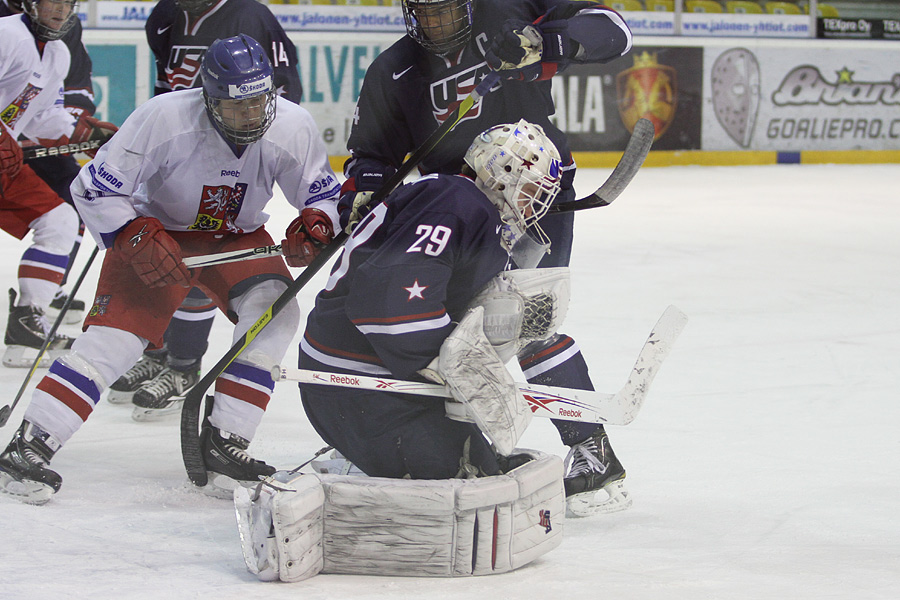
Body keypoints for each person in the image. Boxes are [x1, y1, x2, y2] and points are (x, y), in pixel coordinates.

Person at [0, 34, 341, 504]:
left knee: (275, 315)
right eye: (236, 105)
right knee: (114, 343)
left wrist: (319, 223)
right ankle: (29, 445)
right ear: (210, 98)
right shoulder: (163, 118)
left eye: (259, 101)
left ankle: (225, 445)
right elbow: (93, 190)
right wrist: (130, 234)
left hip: (237, 238)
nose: (250, 114)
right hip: (157, 236)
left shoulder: (292, 124)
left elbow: (323, 194)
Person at [340, 0, 634, 515]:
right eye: (425, 12)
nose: (436, 23)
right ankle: (451, 443)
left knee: (526, 317)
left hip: (535, 193)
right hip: (460, 214)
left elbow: (614, 31)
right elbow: (370, 154)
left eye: (446, 9)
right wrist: (363, 193)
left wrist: (547, 43)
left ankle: (591, 447)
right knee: (451, 328)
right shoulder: (393, 69)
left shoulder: (506, 12)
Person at [107, 0, 304, 421]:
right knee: (159, 244)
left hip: (232, 150)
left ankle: (183, 364)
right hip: (179, 150)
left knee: (202, 244)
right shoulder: (163, 16)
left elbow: (281, 94)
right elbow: (168, 92)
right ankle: (158, 353)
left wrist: (239, 154)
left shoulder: (250, 16)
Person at [0, 0, 115, 369]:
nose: (60, 9)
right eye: (52, 0)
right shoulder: (6, 36)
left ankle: (27, 319)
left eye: (68, 2)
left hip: (4, 163)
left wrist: (82, 130)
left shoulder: (58, 54)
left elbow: (41, 116)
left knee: (60, 220)